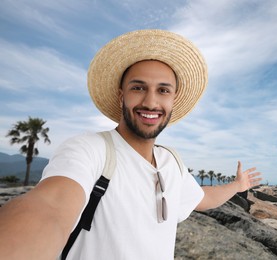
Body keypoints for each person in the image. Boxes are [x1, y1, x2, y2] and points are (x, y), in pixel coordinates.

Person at [0, 29, 261, 259]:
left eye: (163, 90)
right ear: (121, 95)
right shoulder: (90, 149)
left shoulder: (172, 161)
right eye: (138, 88)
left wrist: (239, 185)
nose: (150, 102)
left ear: (173, 99)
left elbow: (202, 198)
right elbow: (50, 206)